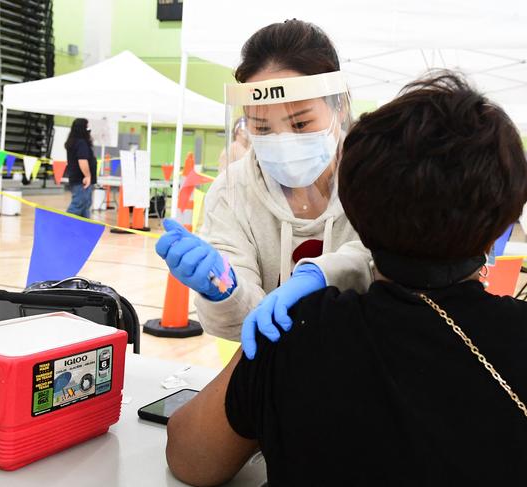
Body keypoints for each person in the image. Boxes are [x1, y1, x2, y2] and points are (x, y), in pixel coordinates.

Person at [165, 72, 527, 487]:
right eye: (262, 125)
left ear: (353, 208)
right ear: (502, 220)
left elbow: (191, 456)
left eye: (300, 122)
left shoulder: (298, 330)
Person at [156, 20, 371, 340]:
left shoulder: (378, 180)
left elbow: (401, 270)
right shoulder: (232, 193)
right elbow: (245, 324)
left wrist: (326, 274)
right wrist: (224, 290)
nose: (282, 140)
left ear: (338, 107)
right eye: (262, 127)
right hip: (272, 371)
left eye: (300, 123)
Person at [64, 118, 96, 218]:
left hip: (78, 180)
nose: (89, 130)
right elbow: (82, 160)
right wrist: (88, 176)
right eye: (87, 127)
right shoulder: (81, 143)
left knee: (85, 206)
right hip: (82, 181)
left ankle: (84, 230)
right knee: (77, 206)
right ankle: (64, 227)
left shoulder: (74, 142)